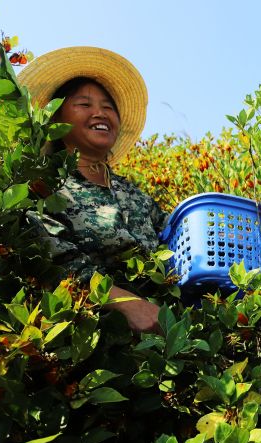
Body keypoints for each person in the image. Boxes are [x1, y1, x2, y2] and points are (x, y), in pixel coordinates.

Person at [21, 47, 166, 334]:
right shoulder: (45, 187)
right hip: (90, 343)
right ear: (57, 121)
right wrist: (126, 303)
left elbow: (172, 243)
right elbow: (55, 262)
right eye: (84, 105)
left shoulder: (135, 195)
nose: (100, 112)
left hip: (163, 340)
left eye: (108, 106)